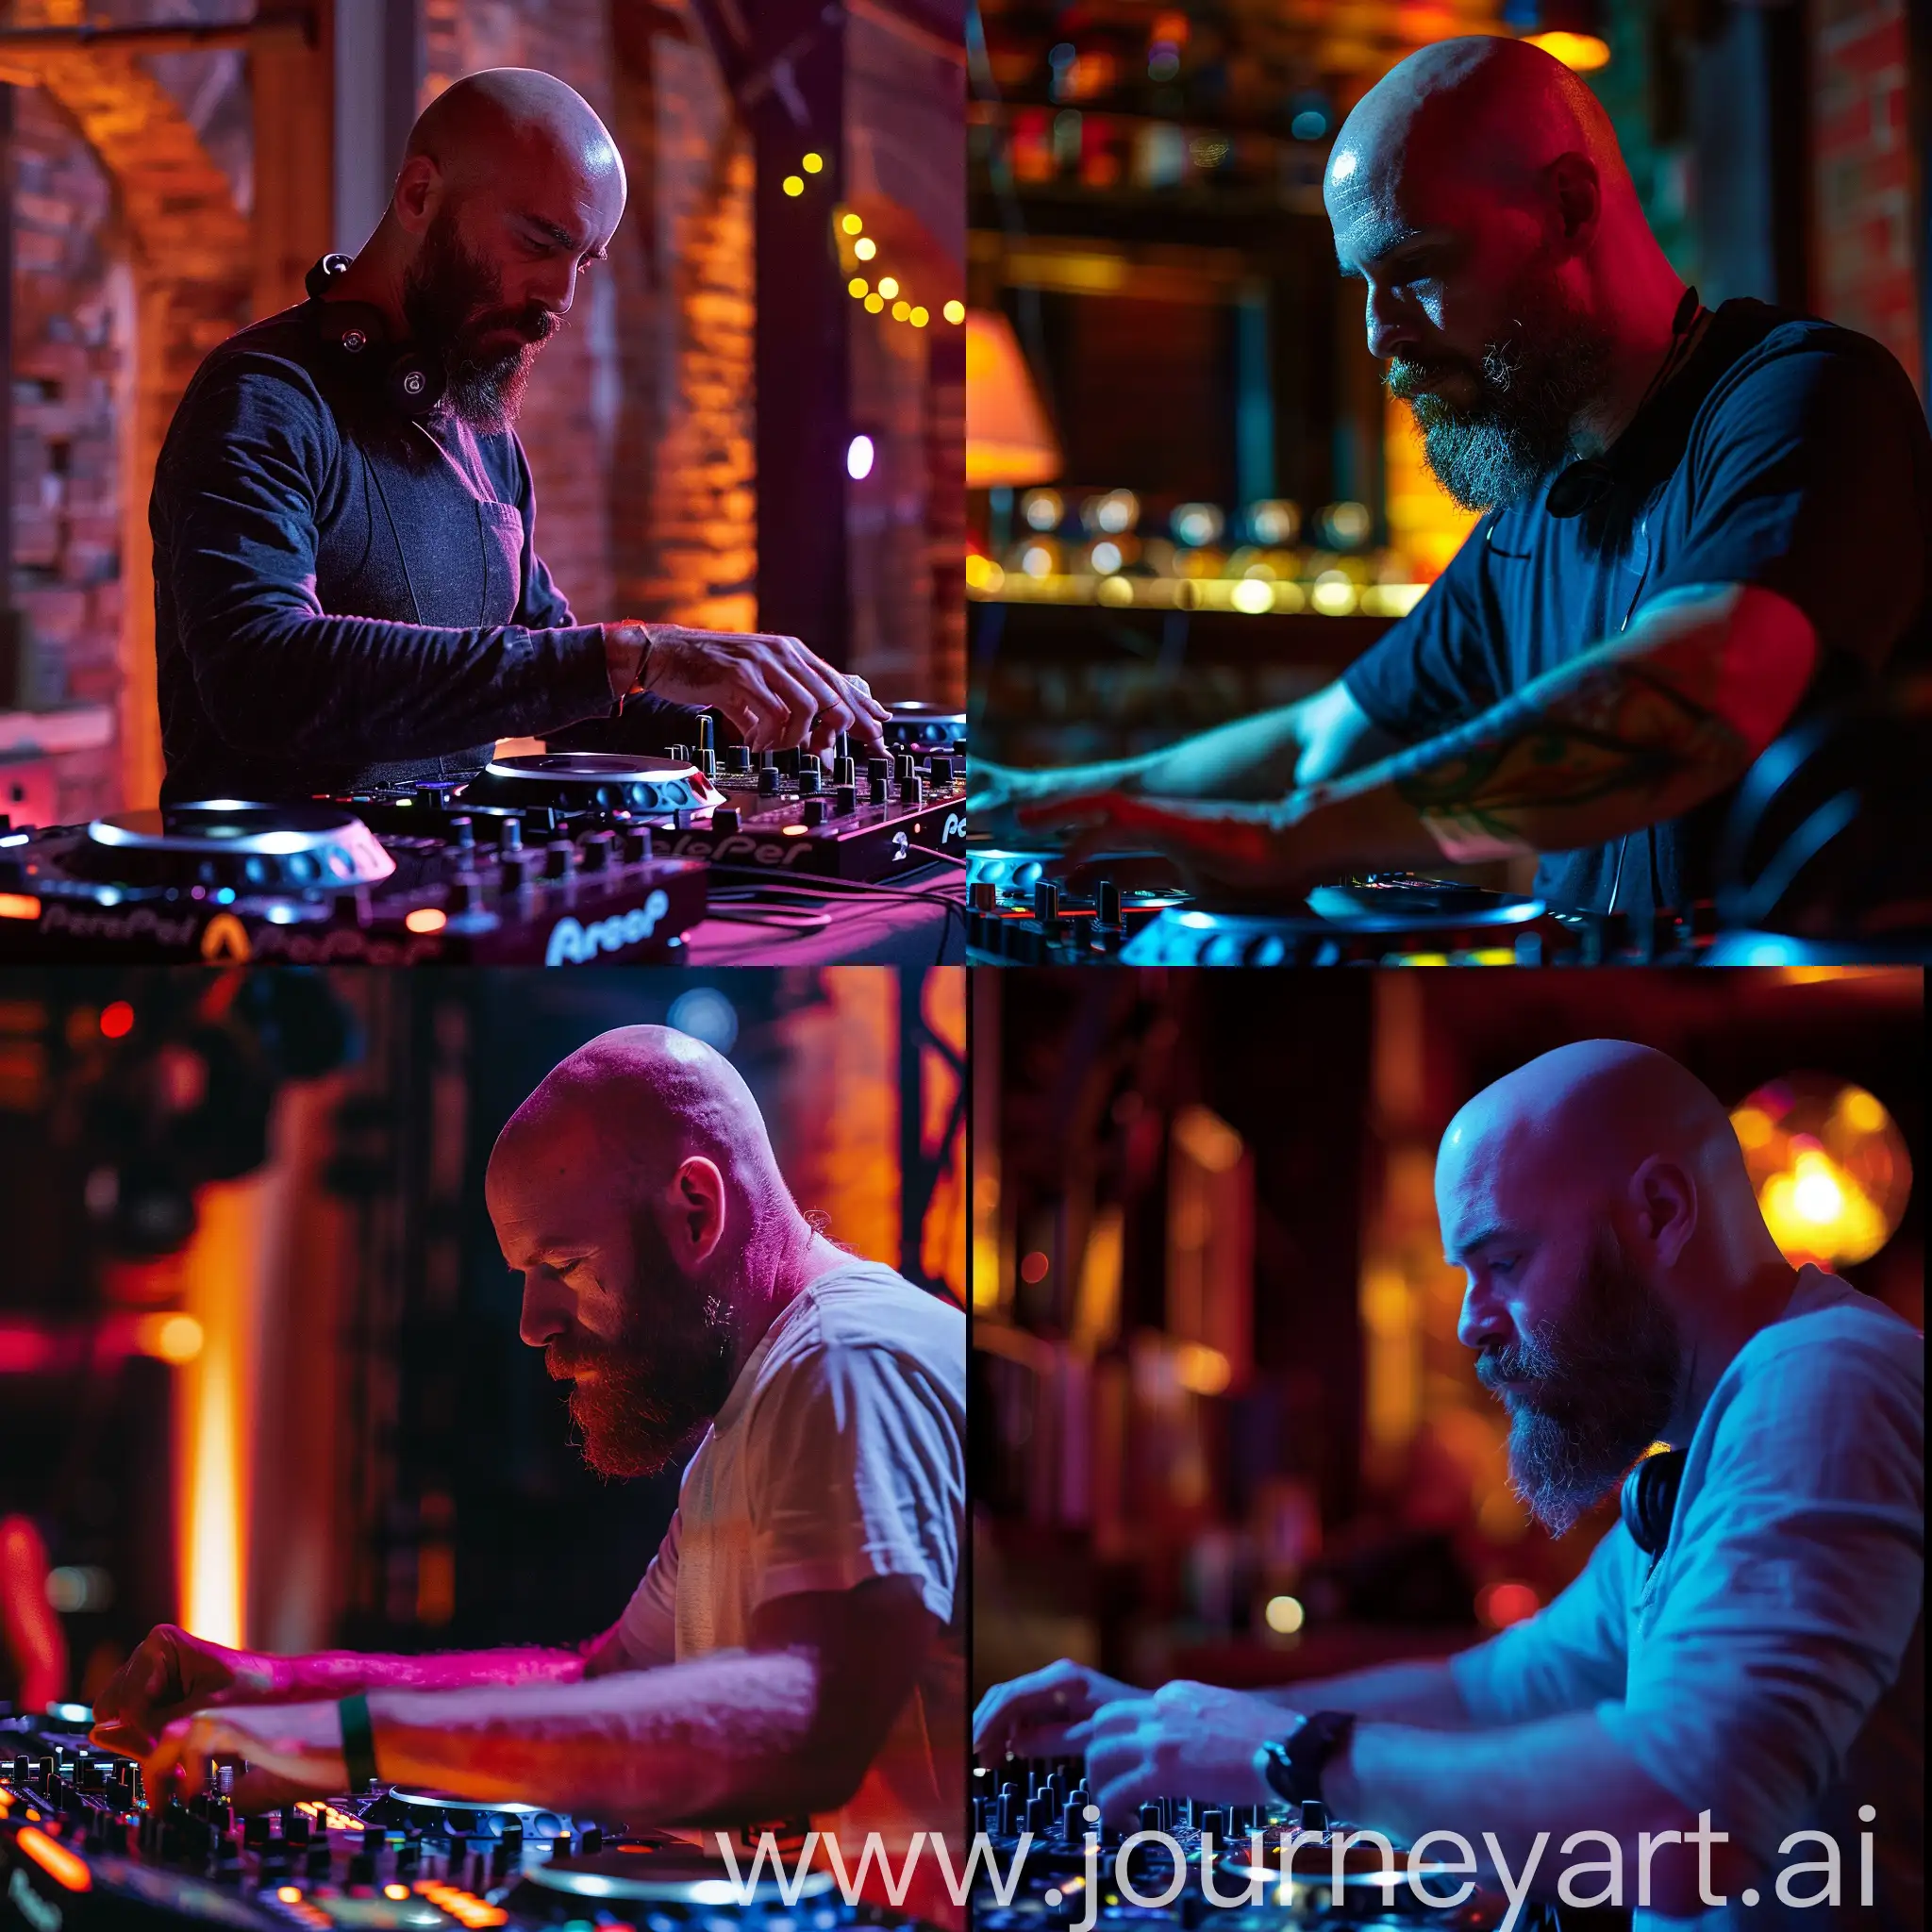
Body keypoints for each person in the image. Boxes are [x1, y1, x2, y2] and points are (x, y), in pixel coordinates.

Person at [969, 36, 1931, 921]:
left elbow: (1692, 699)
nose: (1378, 334)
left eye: (1416, 266)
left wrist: (1290, 841)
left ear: (1567, 208)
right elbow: (1319, 742)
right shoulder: (1527, 518)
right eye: (1362, 286)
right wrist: (1036, 805)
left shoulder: (1800, 396)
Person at [974, 1041, 1923, 1930]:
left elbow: (1683, 1821)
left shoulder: (1824, 1379)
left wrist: (1295, 1759)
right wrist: (1167, 1721)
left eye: (1501, 1261)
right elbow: (1492, 1689)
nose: (1470, 1321)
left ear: (1661, 1213)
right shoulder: (1712, 1439)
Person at [93, 1028, 965, 1884]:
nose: (532, 1324)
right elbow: (598, 1681)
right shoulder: (763, 1407)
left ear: (696, 1210)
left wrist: (360, 1741)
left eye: (564, 1263)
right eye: (524, 1273)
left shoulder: (848, 1361)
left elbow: (804, 1720)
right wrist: (273, 1690)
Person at [153, 68, 887, 806]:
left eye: (583, 262)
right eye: (539, 242)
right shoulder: (264, 398)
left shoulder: (482, 435)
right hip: (277, 905)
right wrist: (634, 654)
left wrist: (773, 721)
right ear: (418, 195)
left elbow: (565, 691)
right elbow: (258, 674)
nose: (559, 297)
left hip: (442, 900)